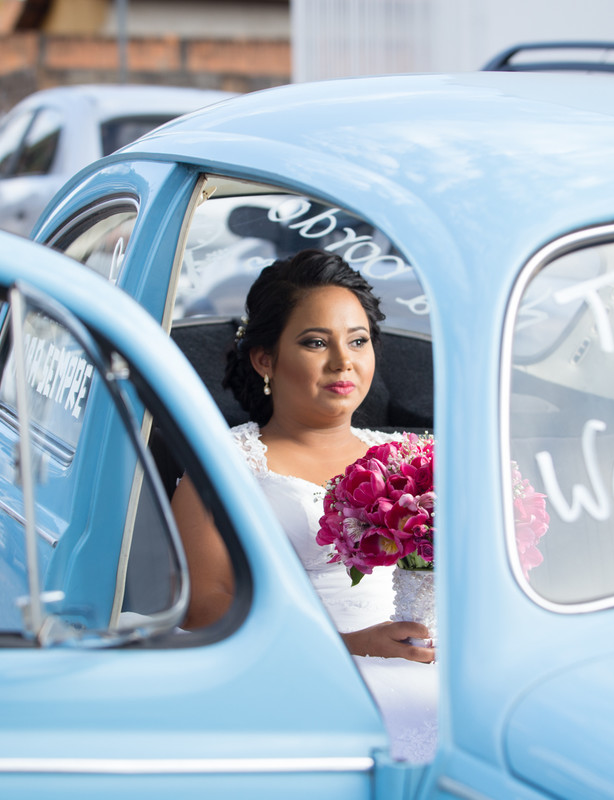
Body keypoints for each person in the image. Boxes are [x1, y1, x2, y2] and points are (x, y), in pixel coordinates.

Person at [170, 249, 437, 762]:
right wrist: (350, 643)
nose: (343, 361)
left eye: (358, 340)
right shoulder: (222, 462)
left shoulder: (412, 457)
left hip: (428, 659)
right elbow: (205, 608)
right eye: (316, 342)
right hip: (293, 670)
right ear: (264, 359)